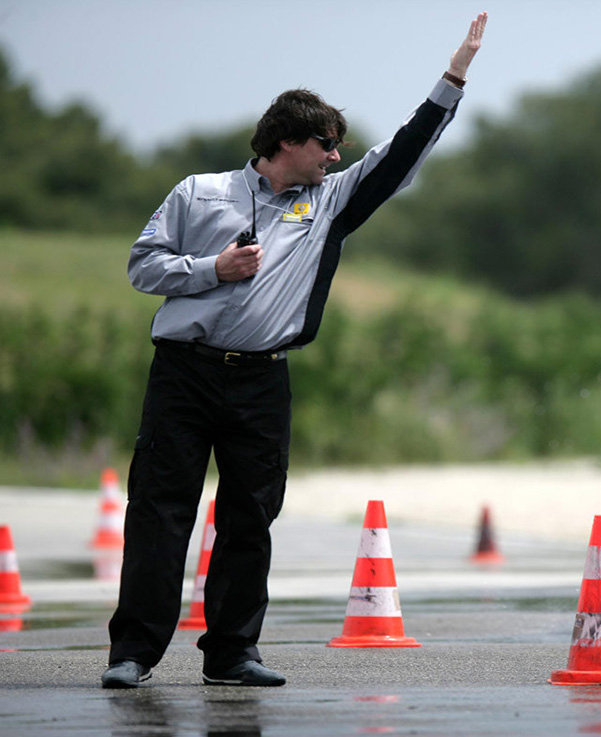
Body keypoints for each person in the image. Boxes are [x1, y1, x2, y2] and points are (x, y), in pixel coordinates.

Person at [101, 12, 488, 689]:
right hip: (183, 377)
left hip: (262, 382)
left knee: (250, 516)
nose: (335, 155)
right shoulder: (199, 192)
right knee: (160, 512)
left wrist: (451, 79)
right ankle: (133, 652)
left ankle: (232, 653)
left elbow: (401, 155)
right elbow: (141, 266)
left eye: (337, 146)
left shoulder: (331, 201)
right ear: (286, 141)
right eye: (326, 144)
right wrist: (209, 270)